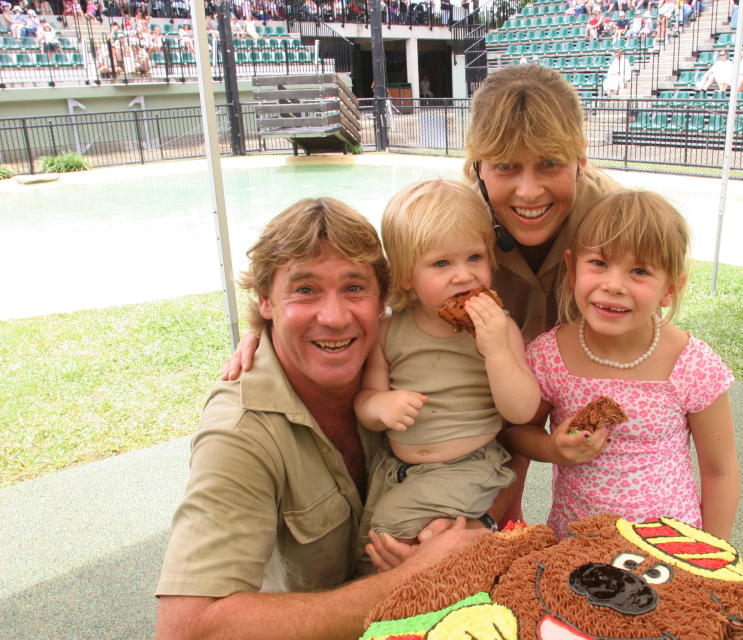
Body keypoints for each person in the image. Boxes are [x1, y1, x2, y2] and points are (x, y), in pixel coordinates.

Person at [222, 64, 624, 538]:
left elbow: (639, 309)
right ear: (478, 166)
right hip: (453, 434)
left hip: (542, 383)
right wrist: (269, 327)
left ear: (581, 157)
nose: (529, 190)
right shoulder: (457, 221)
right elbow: (375, 272)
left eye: (550, 164)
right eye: (506, 166)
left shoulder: (613, 227)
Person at [156, 199, 484, 640]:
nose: (334, 318)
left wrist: (461, 529)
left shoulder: (404, 359)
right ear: (266, 301)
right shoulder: (240, 431)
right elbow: (187, 630)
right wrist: (408, 580)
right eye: (305, 290)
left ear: (383, 299)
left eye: (354, 288)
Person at [506, 189, 739, 540]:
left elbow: (719, 470)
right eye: (598, 263)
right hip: (574, 544)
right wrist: (553, 449)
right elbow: (518, 432)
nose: (613, 285)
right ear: (571, 268)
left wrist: (715, 556)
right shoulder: (550, 356)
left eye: (639, 271)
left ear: (670, 288)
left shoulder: (691, 364)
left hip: (668, 549)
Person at [355, 179, 539, 541]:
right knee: (367, 542)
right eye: (441, 263)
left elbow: (522, 411)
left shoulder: (499, 329)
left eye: (474, 257)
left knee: (390, 531)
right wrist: (381, 405)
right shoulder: (388, 331)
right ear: (406, 276)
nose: (464, 274)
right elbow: (366, 398)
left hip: (469, 467)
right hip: (398, 469)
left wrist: (497, 350)